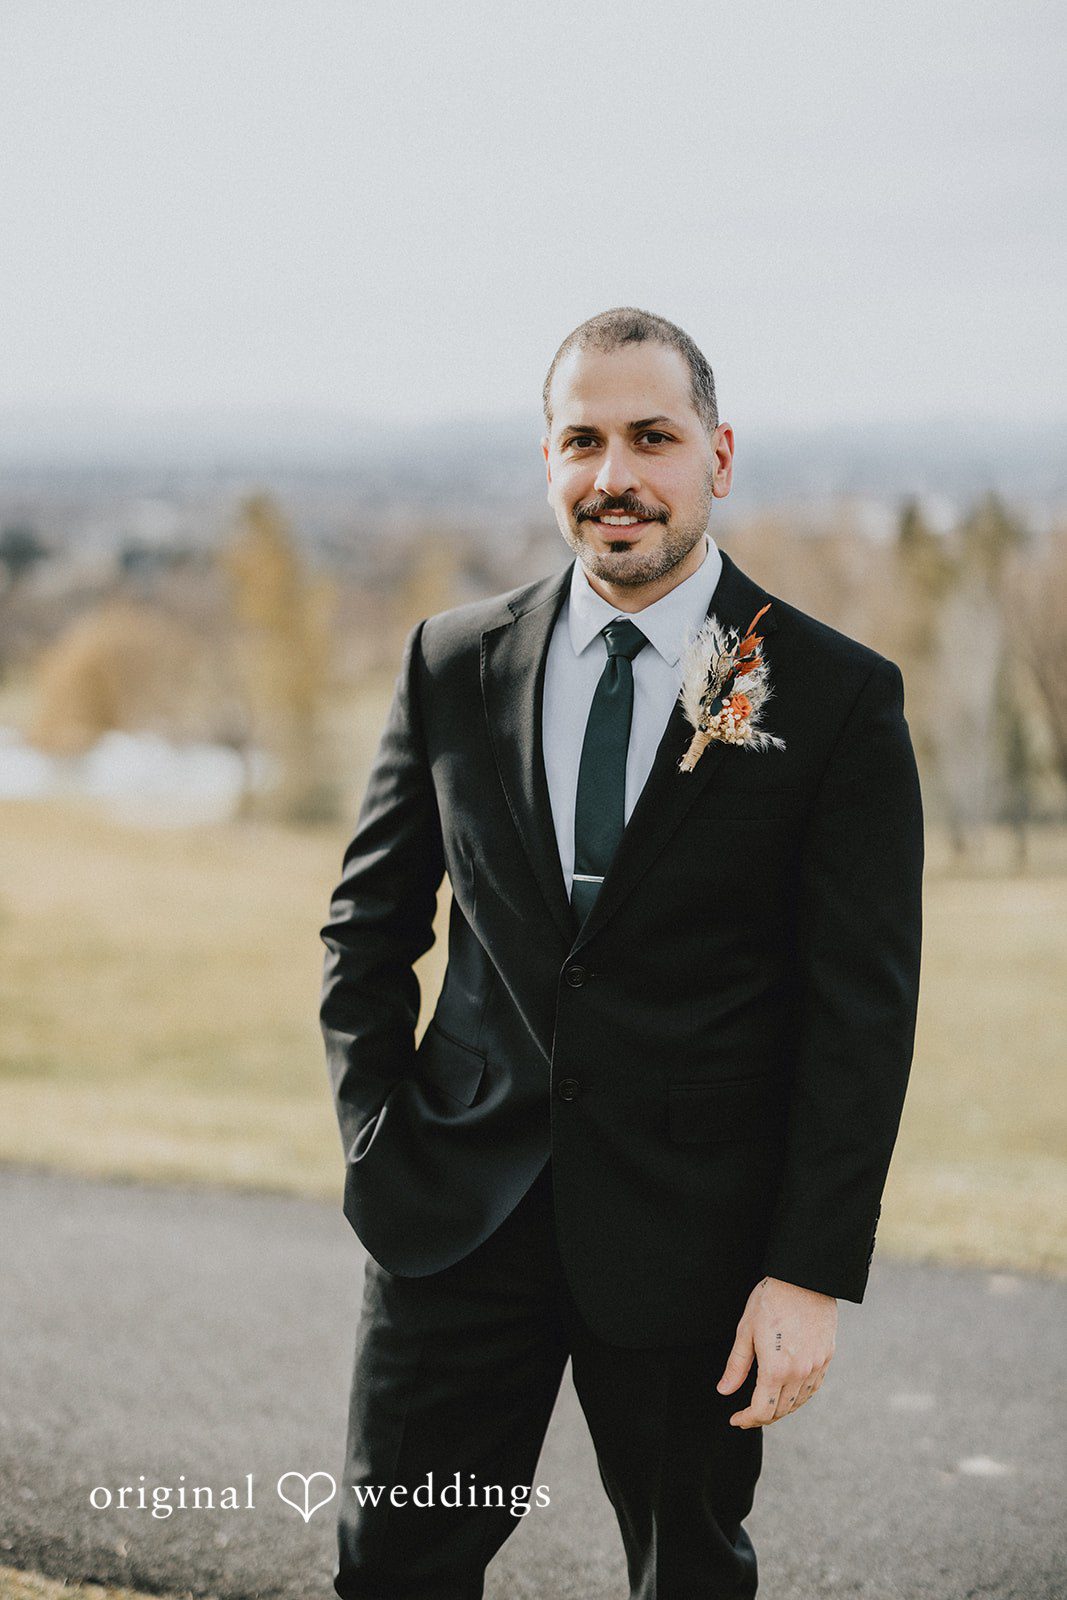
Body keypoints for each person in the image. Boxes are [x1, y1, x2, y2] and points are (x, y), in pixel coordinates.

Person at [319, 306, 924, 1599]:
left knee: (686, 1576)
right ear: (547, 460)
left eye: (652, 437)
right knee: (392, 1567)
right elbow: (370, 926)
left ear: (719, 453)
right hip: (454, 1224)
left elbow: (860, 1012)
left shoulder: (833, 697)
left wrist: (809, 1269)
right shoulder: (451, 662)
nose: (615, 477)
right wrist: (376, 1135)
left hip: (695, 1245)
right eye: (582, 441)